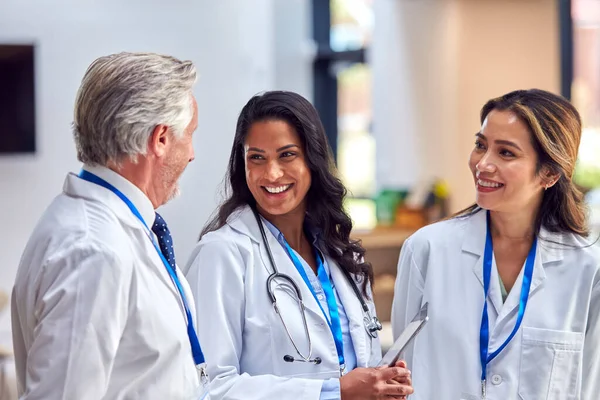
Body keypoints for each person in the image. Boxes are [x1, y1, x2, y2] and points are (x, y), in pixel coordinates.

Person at [184, 91, 414, 400]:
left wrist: (381, 381)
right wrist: (333, 393)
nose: (272, 173)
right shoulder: (221, 254)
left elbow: (354, 362)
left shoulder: (339, 253)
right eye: (257, 157)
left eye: (287, 154)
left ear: (312, 159)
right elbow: (208, 386)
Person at [11, 52, 208, 399]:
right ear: (160, 138)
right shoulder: (93, 249)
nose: (191, 153)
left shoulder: (120, 229)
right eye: (189, 134)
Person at [391, 89, 600, 399]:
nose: (483, 164)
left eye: (506, 153)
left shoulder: (587, 268)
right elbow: (400, 375)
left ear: (549, 174)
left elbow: (591, 385)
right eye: (480, 145)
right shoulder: (427, 249)